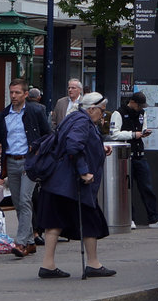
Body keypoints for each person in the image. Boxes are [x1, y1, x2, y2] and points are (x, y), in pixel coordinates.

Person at [36, 92, 114, 279]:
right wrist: (83, 172)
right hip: (71, 184)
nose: (102, 115)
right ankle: (93, 264)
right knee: (89, 220)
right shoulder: (82, 121)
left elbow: (75, 142)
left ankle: (48, 265)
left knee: (54, 222)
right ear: (92, 109)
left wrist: (99, 148)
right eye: (101, 111)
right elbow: (73, 146)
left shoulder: (74, 118)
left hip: (57, 183)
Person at [0, 78, 52, 258]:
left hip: (29, 162)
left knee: (24, 200)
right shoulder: (5, 114)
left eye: (17, 92)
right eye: (11, 92)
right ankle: (31, 242)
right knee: (18, 202)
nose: (13, 96)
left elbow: (48, 135)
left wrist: (36, 145)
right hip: (11, 161)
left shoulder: (35, 111)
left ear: (25, 94)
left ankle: (21, 242)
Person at [109, 92, 158, 229]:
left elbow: (142, 128)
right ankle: (129, 218)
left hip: (139, 154)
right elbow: (114, 134)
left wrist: (144, 132)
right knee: (127, 188)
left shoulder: (142, 114)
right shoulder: (118, 113)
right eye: (139, 105)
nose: (140, 108)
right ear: (132, 102)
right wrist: (132, 134)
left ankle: (154, 218)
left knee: (147, 187)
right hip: (126, 155)